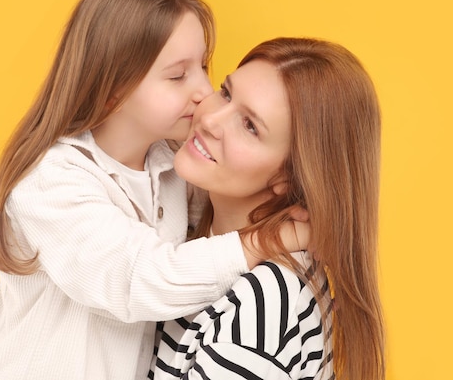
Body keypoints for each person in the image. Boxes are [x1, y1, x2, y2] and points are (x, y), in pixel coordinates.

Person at [0, 0, 307, 380]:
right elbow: (141, 280)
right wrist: (280, 239)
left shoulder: (171, 169)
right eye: (178, 75)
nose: (203, 91)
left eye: (202, 66)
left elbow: (233, 209)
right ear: (113, 89)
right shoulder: (52, 181)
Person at [151, 37, 385, 380]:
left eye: (249, 126)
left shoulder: (258, 313)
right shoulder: (190, 227)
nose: (211, 120)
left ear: (289, 178)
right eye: (226, 93)